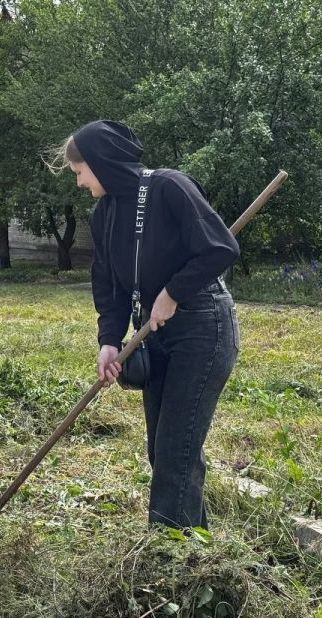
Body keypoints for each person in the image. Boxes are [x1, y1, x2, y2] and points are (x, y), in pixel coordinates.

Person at [56, 120, 239, 530]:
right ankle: (193, 548)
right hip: (153, 334)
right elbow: (108, 283)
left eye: (80, 172)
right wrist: (108, 340)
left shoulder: (169, 187)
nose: (80, 182)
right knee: (165, 449)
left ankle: (165, 559)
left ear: (100, 162)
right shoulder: (105, 214)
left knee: (177, 447)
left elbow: (221, 248)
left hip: (202, 328)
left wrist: (172, 293)